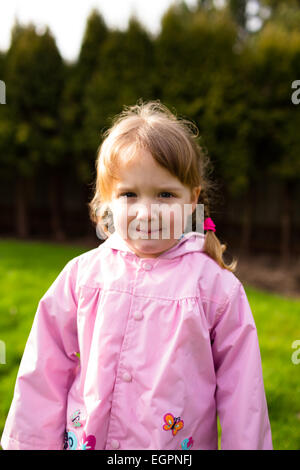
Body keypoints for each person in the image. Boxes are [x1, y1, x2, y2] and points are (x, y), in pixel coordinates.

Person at [1, 100, 273, 450]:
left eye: (165, 194)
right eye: (129, 194)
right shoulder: (82, 277)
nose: (147, 211)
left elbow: (243, 394)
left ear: (192, 200)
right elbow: (44, 369)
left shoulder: (216, 290)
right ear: (107, 201)